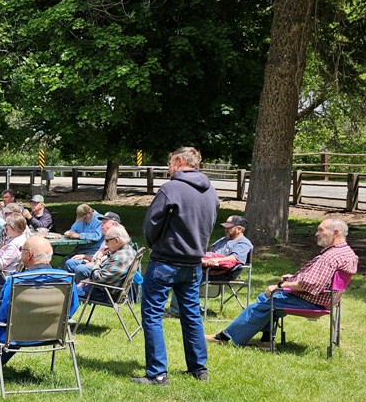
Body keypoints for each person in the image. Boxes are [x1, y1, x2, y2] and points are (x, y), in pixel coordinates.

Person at [135, 146, 219, 385]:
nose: (168, 167)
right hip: (193, 262)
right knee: (191, 314)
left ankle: (158, 374)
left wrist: (154, 244)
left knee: (152, 314)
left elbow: (151, 224)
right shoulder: (211, 191)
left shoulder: (171, 188)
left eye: (170, 162)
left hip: (166, 260)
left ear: (180, 161)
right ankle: (198, 369)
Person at [206, 218, 358, 348]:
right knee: (265, 299)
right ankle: (266, 340)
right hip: (328, 300)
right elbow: (322, 279)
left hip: (313, 301)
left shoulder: (330, 257)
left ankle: (225, 337)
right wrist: (294, 277)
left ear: (336, 232)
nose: (316, 234)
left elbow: (310, 285)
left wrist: (280, 286)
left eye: (321, 230)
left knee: (263, 303)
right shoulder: (347, 253)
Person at [0, 236, 79, 366]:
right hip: (52, 334)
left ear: (29, 255)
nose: (20, 252)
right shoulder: (67, 279)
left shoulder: (16, 281)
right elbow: (72, 307)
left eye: (21, 249)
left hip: (17, 337)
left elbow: (0, 314)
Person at [167, 214, 253, 316]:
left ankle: (178, 311)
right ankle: (187, 308)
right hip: (210, 269)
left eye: (229, 227)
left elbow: (234, 259)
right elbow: (209, 252)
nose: (225, 229)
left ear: (239, 229)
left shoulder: (244, 243)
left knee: (186, 278)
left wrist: (216, 260)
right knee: (183, 274)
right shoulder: (223, 240)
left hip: (225, 274)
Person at [76, 225, 137, 302]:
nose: (105, 244)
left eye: (107, 241)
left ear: (117, 241)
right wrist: (89, 280)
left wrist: (98, 258)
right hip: (108, 288)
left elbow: (98, 278)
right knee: (73, 288)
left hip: (105, 293)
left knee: (68, 291)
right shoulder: (129, 250)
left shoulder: (119, 258)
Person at [63, 212, 122, 281]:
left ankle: (82, 289)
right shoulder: (106, 238)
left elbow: (109, 263)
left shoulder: (115, 240)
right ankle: (70, 287)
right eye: (101, 223)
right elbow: (97, 257)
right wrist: (84, 256)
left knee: (80, 268)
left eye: (104, 223)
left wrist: (94, 263)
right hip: (96, 262)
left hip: (101, 269)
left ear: (114, 224)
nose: (101, 225)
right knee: (70, 262)